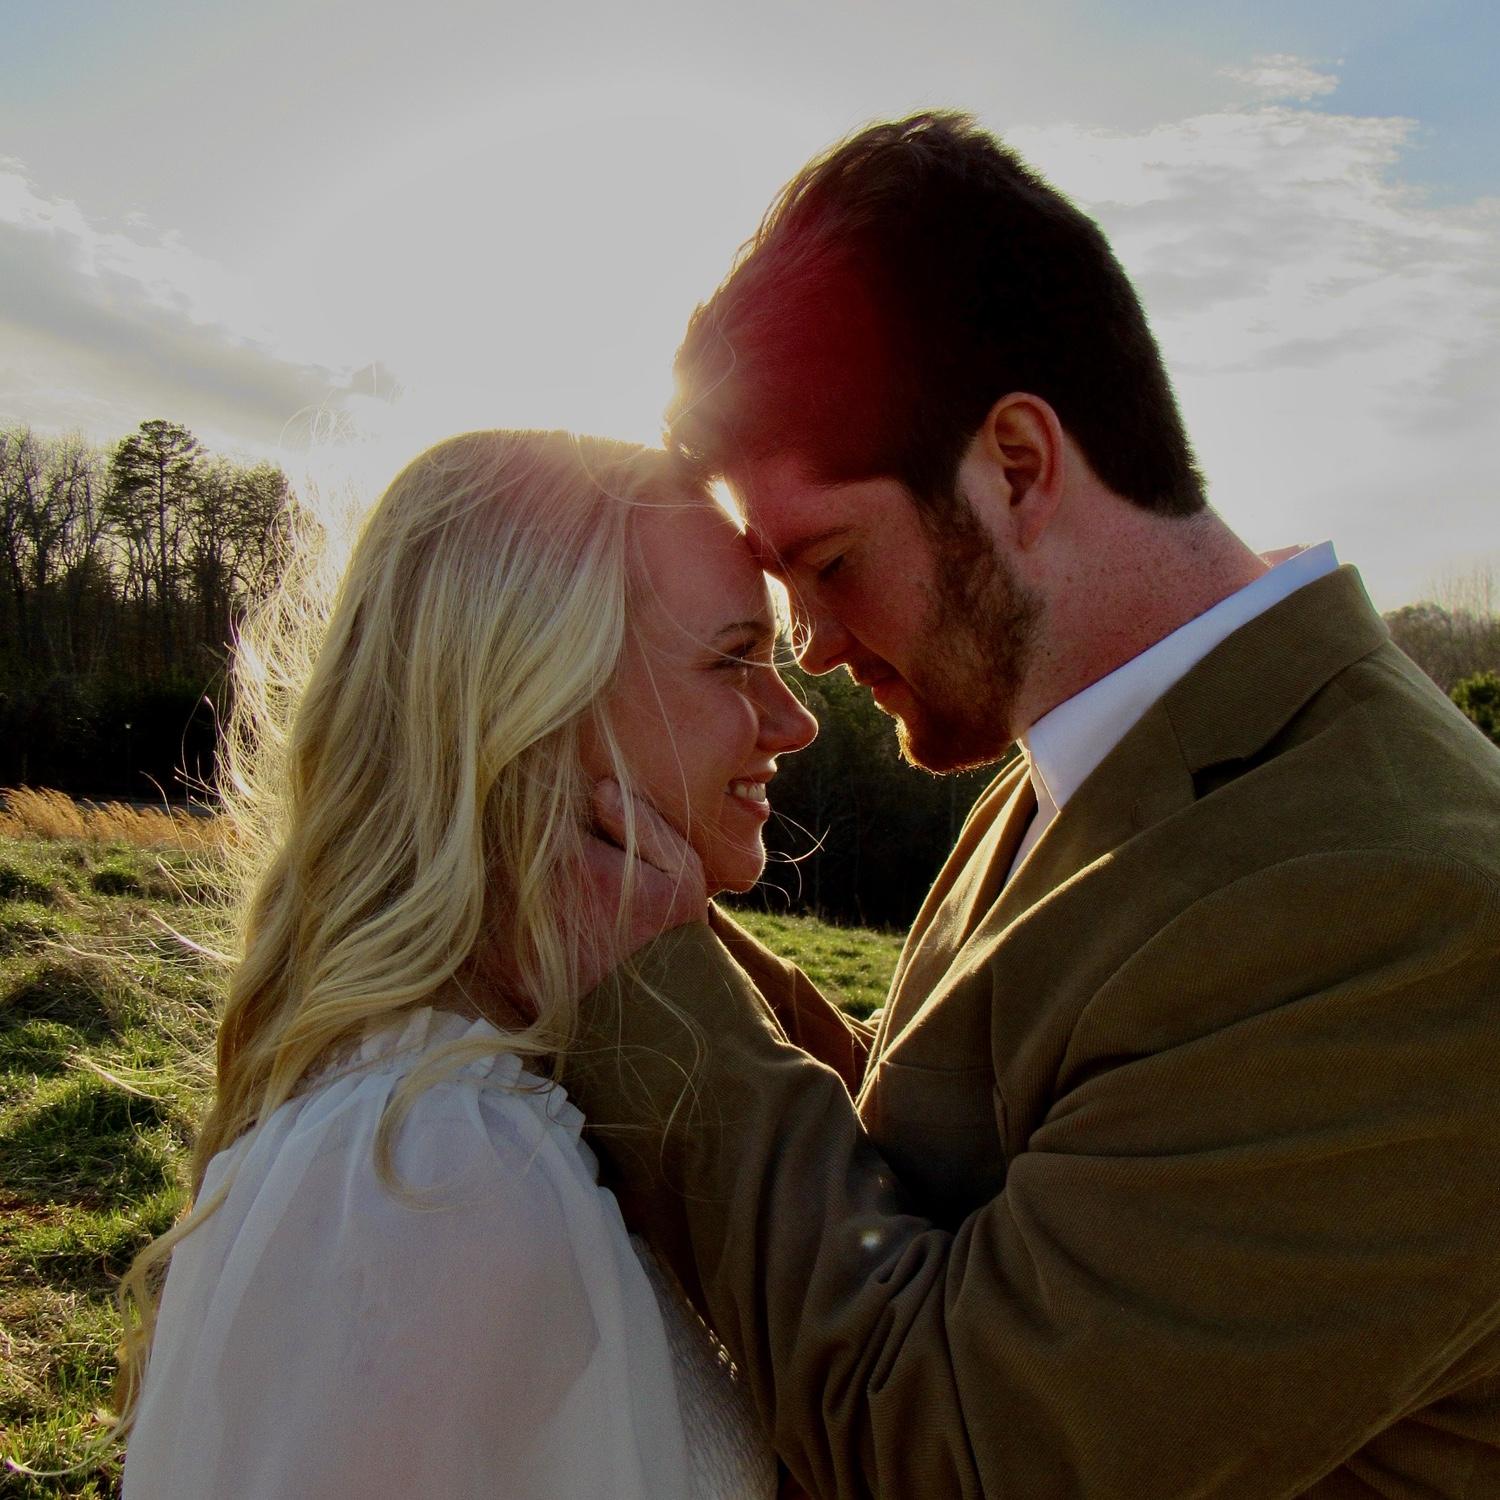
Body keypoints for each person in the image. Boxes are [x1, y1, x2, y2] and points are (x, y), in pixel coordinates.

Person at [559, 114, 1500, 1498]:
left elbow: (965, 1453)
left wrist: (626, 968)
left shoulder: (1407, 909)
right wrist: (628, 897)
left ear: (1015, 462)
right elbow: (955, 1152)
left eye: (830, 561)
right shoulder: (1108, 751)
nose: (813, 646)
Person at [118, 429, 819, 1499]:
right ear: (535, 707)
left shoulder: (527, 1093)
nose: (795, 720)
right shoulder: (431, 1179)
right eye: (733, 658)